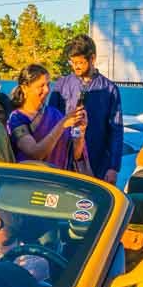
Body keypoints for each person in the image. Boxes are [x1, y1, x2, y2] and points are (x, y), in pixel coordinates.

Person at [52, 34, 124, 184]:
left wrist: (113, 168)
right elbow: (51, 122)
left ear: (92, 58)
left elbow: (116, 131)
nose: (76, 66)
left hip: (97, 164)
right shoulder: (61, 85)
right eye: (72, 62)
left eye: (80, 62)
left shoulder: (109, 89)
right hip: (64, 163)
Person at [6, 63, 87, 171]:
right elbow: (36, 154)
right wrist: (62, 125)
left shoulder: (55, 114)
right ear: (25, 88)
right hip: (30, 181)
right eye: (41, 86)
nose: (47, 90)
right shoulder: (17, 118)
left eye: (48, 85)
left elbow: (75, 155)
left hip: (58, 181)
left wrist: (80, 131)